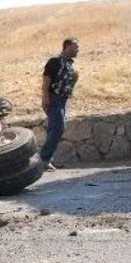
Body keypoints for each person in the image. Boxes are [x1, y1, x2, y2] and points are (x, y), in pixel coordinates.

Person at [39, 38, 80, 170]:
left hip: (62, 100)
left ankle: (45, 159)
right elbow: (46, 80)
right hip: (53, 98)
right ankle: (43, 159)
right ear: (67, 47)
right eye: (75, 47)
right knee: (58, 128)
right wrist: (45, 98)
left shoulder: (69, 65)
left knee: (54, 129)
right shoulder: (55, 61)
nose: (78, 50)